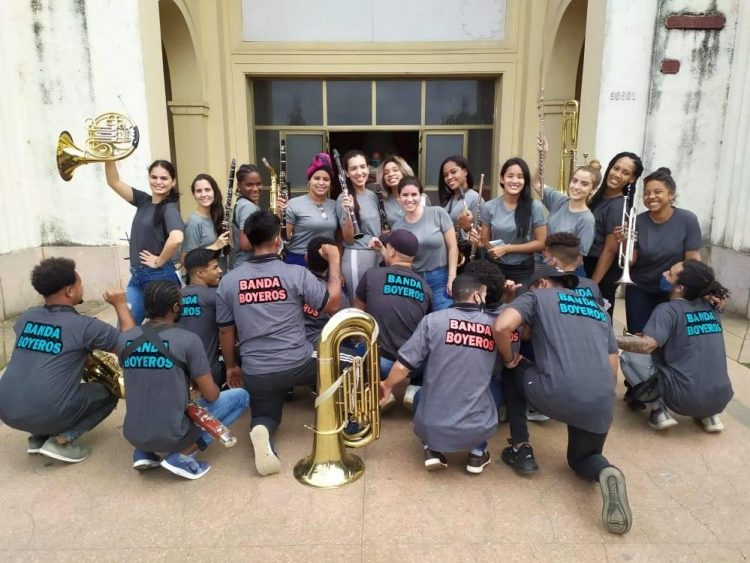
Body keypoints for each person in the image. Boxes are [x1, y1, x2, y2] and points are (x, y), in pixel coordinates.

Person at [492, 265, 631, 535]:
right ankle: (606, 472)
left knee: (513, 371)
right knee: (582, 459)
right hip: (601, 399)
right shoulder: (597, 308)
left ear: (542, 283)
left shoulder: (536, 297)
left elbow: (502, 326)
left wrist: (510, 359)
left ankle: (521, 448)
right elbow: (613, 365)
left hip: (555, 391)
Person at [216, 210, 343, 476]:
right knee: (339, 364)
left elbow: (226, 333)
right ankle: (345, 418)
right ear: (277, 240)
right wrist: (334, 260)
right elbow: (332, 304)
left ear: (248, 241)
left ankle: (262, 431)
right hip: (299, 363)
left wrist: (231, 367)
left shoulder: (228, 282)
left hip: (257, 370)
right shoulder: (295, 273)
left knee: (266, 414)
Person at [0, 257, 135, 463]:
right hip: (44, 411)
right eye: (80, 284)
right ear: (70, 291)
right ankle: (61, 440)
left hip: (7, 409)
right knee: (109, 393)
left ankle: (39, 437)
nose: (82, 287)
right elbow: (131, 345)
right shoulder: (85, 326)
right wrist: (121, 305)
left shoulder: (27, 316)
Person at [119, 281, 249, 480]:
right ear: (175, 307)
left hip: (132, 433)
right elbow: (212, 395)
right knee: (241, 397)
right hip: (173, 434)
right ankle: (183, 455)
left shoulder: (125, 338)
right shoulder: (187, 339)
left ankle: (144, 453)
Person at [379, 275, 498, 474]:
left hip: (433, 423)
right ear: (478, 296)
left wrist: (387, 385)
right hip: (478, 425)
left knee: (417, 396)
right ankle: (477, 454)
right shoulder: (496, 325)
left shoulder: (432, 321)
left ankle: (431, 449)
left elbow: (403, 366)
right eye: (484, 295)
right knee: (492, 388)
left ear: (454, 295)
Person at [616, 260, 733, 432]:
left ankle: (659, 411)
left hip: (683, 400)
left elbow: (647, 346)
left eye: (669, 273)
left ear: (680, 288)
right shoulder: (712, 307)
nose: (663, 273)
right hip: (722, 397)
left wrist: (607, 339)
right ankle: (710, 415)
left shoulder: (667, 310)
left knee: (629, 356)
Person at [618, 167, 702, 334]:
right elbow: (630, 261)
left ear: (671, 195)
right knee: (639, 336)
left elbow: (693, 262)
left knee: (669, 339)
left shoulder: (688, 220)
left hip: (673, 291)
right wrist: (625, 240)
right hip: (640, 289)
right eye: (647, 193)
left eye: (658, 192)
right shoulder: (638, 220)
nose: (651, 197)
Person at [355, 229, 433, 409]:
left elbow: (357, 315)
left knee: (356, 339)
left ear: (390, 252)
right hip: (412, 365)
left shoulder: (372, 275)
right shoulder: (426, 287)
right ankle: (414, 390)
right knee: (426, 343)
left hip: (378, 363)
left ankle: (377, 387)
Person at [105, 160, 184, 325]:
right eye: (154, 177)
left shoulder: (169, 208)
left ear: (173, 181)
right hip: (137, 276)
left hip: (158, 276)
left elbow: (177, 237)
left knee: (163, 329)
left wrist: (159, 261)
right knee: (126, 326)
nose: (158, 182)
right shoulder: (143, 200)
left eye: (164, 178)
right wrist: (108, 158)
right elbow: (114, 182)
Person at [584, 152, 644, 318]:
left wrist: (592, 284)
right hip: (590, 263)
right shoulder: (600, 197)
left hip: (600, 267)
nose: (617, 174)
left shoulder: (618, 205)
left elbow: (610, 250)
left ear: (632, 179)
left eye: (625, 172)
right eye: (616, 168)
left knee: (598, 319)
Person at [391, 176, 458, 310]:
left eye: (414, 194)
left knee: (443, 319)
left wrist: (452, 277)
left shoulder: (437, 213)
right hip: (413, 281)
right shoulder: (397, 227)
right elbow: (395, 260)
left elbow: (453, 247)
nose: (410, 199)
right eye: (405, 195)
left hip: (440, 278)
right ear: (399, 198)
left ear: (421, 196)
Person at [479, 157, 547, 288]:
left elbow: (541, 243)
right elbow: (486, 241)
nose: (515, 181)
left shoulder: (535, 207)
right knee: (494, 306)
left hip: (523, 269)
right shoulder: (488, 207)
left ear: (525, 180)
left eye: (520, 177)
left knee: (520, 306)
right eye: (510, 176)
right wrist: (480, 242)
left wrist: (507, 248)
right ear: (502, 178)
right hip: (495, 268)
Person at [533, 139, 599, 259]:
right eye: (574, 181)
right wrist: (543, 155)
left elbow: (579, 258)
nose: (576, 186)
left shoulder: (587, 220)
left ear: (593, 189)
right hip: (545, 263)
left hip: (566, 271)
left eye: (584, 184)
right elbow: (536, 183)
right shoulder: (559, 200)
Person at [335, 150, 383, 300]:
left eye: (362, 167)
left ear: (368, 168)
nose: (359, 172)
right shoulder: (344, 198)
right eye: (353, 168)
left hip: (376, 256)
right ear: (346, 173)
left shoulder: (373, 195)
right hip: (357, 256)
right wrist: (348, 213)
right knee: (357, 306)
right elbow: (348, 239)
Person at [283, 153, 339, 267]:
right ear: (309, 181)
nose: (321, 183)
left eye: (326, 179)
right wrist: (280, 214)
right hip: (298, 261)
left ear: (330, 183)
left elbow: (338, 239)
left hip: (326, 261)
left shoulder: (335, 205)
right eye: (316, 178)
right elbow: (284, 238)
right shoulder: (294, 204)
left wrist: (337, 265)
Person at [178, 248, 224, 386]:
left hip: (180, 375)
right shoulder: (215, 295)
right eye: (215, 267)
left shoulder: (175, 296)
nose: (220, 271)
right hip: (209, 374)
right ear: (200, 273)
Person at [303, 235, 350, 346]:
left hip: (295, 345)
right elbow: (349, 330)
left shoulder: (292, 283)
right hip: (323, 349)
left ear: (306, 258)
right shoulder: (339, 297)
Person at [438, 155, 482, 266]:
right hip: (447, 253)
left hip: (465, 256)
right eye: (446, 175)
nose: (449, 177)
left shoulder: (475, 198)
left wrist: (467, 227)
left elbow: (478, 236)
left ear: (465, 172)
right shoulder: (449, 199)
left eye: (453, 172)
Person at [182, 173, 230, 269]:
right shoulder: (194, 221)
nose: (203, 194)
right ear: (194, 195)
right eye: (199, 191)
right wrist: (214, 246)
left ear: (214, 192)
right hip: (204, 279)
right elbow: (185, 259)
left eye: (207, 190)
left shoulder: (217, 215)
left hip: (221, 274)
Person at [544, 232, 605, 307]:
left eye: (545, 257)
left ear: (553, 261)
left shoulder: (546, 285)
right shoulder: (592, 285)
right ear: (577, 259)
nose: (544, 260)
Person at [375, 155, 422, 227]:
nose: (390, 174)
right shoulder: (383, 203)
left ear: (404, 172)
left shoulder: (422, 198)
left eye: (395, 170)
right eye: (386, 172)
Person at [231, 164, 263, 268]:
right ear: (239, 186)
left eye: (258, 184)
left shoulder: (241, 202)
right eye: (249, 185)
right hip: (249, 265)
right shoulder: (248, 207)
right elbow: (245, 244)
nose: (255, 188)